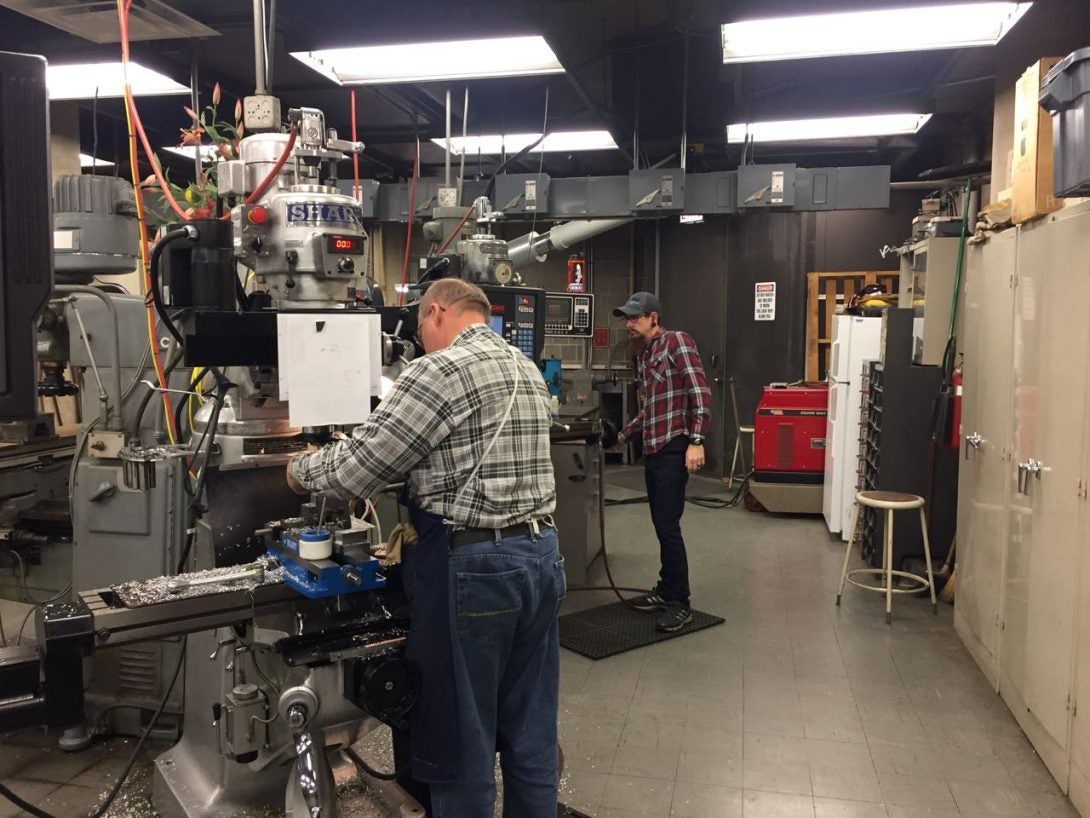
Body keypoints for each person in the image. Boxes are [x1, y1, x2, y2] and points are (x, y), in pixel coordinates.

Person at [287, 278, 562, 818]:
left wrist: (297, 472)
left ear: (437, 311)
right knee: (531, 726)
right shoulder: (526, 369)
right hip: (542, 557)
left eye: (419, 330)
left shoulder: (438, 371)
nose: (420, 343)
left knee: (464, 736)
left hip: (476, 571)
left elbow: (357, 469)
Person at [613, 291, 712, 633]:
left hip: (674, 446)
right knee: (660, 522)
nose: (629, 324)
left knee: (668, 525)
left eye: (635, 318)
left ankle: (680, 602)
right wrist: (622, 436)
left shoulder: (676, 343)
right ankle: (666, 588)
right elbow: (649, 410)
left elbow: (700, 393)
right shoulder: (642, 356)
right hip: (653, 450)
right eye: (627, 319)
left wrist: (696, 441)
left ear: (653, 317)